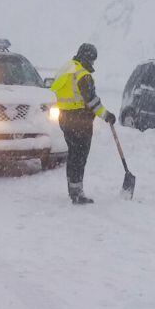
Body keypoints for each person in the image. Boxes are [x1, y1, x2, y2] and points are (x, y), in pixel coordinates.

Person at [50, 43, 116, 204]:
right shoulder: (83, 75)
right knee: (80, 156)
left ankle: (73, 189)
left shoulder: (68, 68)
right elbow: (92, 101)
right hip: (79, 120)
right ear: (87, 57)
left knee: (73, 154)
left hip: (65, 118)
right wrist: (106, 115)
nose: (92, 63)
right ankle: (77, 192)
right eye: (92, 60)